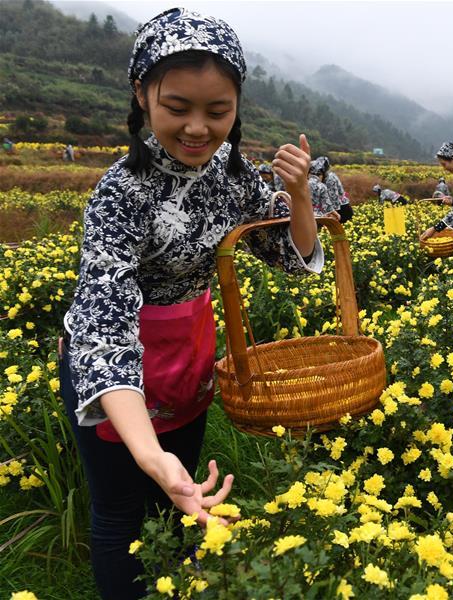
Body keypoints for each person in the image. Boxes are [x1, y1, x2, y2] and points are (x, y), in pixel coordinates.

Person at [58, 9, 323, 598]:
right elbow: (104, 327)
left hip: (187, 356)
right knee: (120, 511)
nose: (199, 128)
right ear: (141, 95)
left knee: (182, 498)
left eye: (218, 111)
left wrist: (299, 195)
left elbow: (290, 255)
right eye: (178, 108)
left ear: (237, 105)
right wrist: (149, 454)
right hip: (116, 374)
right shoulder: (121, 191)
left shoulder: (235, 178)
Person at [314, 155, 353, 223]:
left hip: (341, 210)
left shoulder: (330, 179)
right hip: (337, 210)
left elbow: (334, 201)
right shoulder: (324, 177)